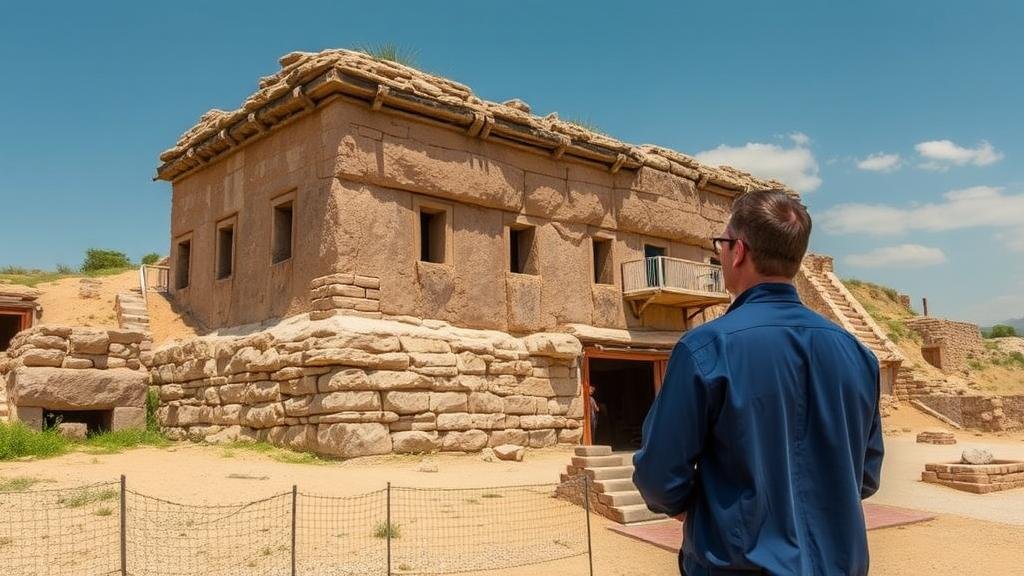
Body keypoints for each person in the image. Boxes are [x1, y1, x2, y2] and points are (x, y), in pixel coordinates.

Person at [633, 190, 883, 576]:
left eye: (721, 243)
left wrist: (700, 512)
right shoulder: (858, 354)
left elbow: (658, 475)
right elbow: (865, 476)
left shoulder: (706, 348)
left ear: (739, 251)